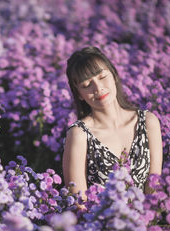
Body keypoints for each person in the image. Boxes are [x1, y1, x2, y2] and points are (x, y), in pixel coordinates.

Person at [62, 46, 163, 200]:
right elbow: (78, 202)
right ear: (79, 95)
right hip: (100, 222)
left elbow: (154, 188)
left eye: (102, 77)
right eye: (86, 85)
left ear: (114, 75)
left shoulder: (148, 122)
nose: (98, 88)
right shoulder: (79, 134)